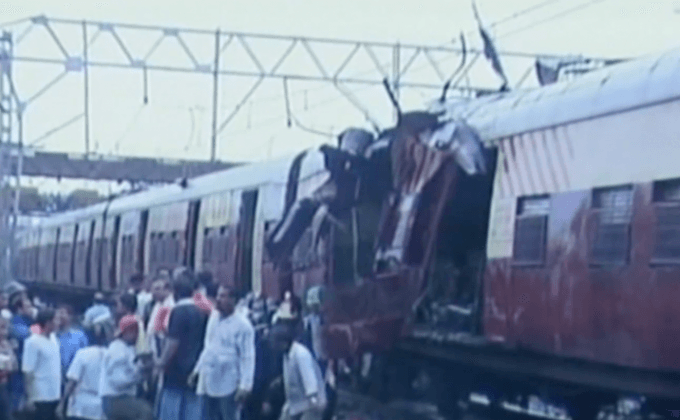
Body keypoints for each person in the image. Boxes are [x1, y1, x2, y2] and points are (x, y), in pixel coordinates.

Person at [190, 285, 255, 420]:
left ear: (234, 300)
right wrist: (197, 370)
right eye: (218, 296)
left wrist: (245, 385)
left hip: (229, 381)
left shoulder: (243, 325)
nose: (219, 299)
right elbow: (208, 346)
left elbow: (247, 356)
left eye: (223, 296)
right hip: (209, 377)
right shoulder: (213, 318)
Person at [156, 271, 207, 420]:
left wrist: (161, 362)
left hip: (176, 370)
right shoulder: (201, 312)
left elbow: (173, 343)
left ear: (175, 292)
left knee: (171, 411)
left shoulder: (178, 312)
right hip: (194, 369)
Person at [99, 314, 153, 420]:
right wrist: (139, 376)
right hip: (114, 398)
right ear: (129, 331)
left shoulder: (128, 348)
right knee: (145, 411)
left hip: (121, 397)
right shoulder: (117, 349)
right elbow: (117, 381)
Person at [56, 319, 112, 420]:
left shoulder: (83, 354)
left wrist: (62, 403)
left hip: (80, 406)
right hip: (100, 407)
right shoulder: (110, 355)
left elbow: (72, 381)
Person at [271, 322, 326, 420]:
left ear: (284, 342)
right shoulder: (286, 355)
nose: (273, 345)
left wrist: (313, 405)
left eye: (275, 341)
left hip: (311, 403)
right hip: (295, 403)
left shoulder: (301, 354)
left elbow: (310, 382)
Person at [22, 308, 61, 420]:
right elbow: (28, 371)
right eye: (56, 320)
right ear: (48, 322)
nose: (59, 322)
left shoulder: (54, 338)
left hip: (55, 393)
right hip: (40, 396)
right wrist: (29, 397)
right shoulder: (32, 342)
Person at [7, 287, 36, 416]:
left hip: (28, 367)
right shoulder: (16, 323)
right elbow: (29, 334)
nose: (31, 309)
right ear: (19, 309)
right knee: (17, 399)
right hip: (19, 368)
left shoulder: (30, 321)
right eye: (28, 306)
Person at [55, 304, 89, 377]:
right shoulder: (52, 336)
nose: (59, 316)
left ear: (70, 316)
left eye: (62, 313)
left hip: (73, 376)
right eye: (57, 314)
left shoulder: (79, 336)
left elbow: (85, 357)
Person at [0, 317, 18, 420]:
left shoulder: (7, 344)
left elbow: (14, 366)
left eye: (5, 328)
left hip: (6, 387)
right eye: (2, 328)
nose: (4, 332)